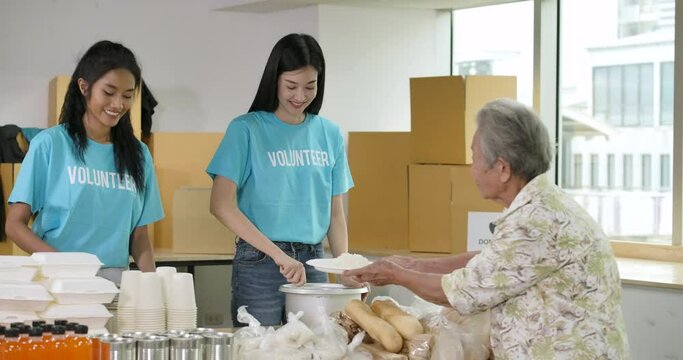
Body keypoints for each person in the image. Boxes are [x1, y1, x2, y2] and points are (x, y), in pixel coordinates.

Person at [345, 99, 630, 359]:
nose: (472, 169)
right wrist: (415, 264)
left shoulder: (534, 221)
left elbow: (463, 291)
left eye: (475, 157)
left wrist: (397, 274)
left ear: (502, 168)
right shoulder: (539, 205)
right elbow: (487, 263)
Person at [207, 33, 357, 326]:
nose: (300, 96)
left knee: (319, 349)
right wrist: (279, 256)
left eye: (310, 86)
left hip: (314, 262)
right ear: (274, 79)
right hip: (260, 261)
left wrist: (345, 268)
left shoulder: (330, 134)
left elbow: (335, 214)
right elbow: (221, 205)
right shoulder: (246, 130)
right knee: (259, 349)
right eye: (291, 86)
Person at [5, 40, 164, 285]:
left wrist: (154, 288)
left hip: (116, 284)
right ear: (84, 86)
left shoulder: (139, 154)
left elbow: (139, 235)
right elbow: (15, 225)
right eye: (109, 93)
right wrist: (65, 268)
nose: (118, 104)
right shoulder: (49, 144)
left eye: (128, 96)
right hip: (57, 279)